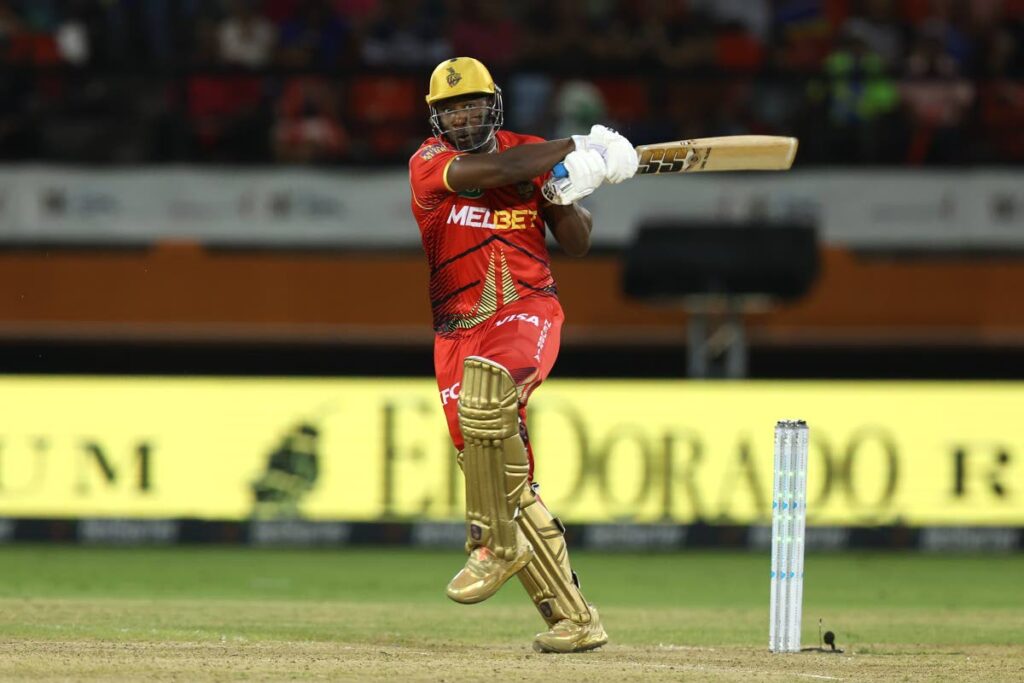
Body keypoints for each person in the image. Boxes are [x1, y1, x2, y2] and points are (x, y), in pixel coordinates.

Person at [407, 56, 637, 653]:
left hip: (526, 309)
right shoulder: (431, 165)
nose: (464, 117)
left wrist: (566, 189)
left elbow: (578, 242)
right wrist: (578, 146)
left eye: (474, 105)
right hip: (457, 329)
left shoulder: (531, 152)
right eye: (452, 109)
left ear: (494, 104)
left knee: (491, 393)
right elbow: (502, 168)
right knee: (499, 475)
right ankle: (574, 619)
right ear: (436, 118)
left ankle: (491, 545)